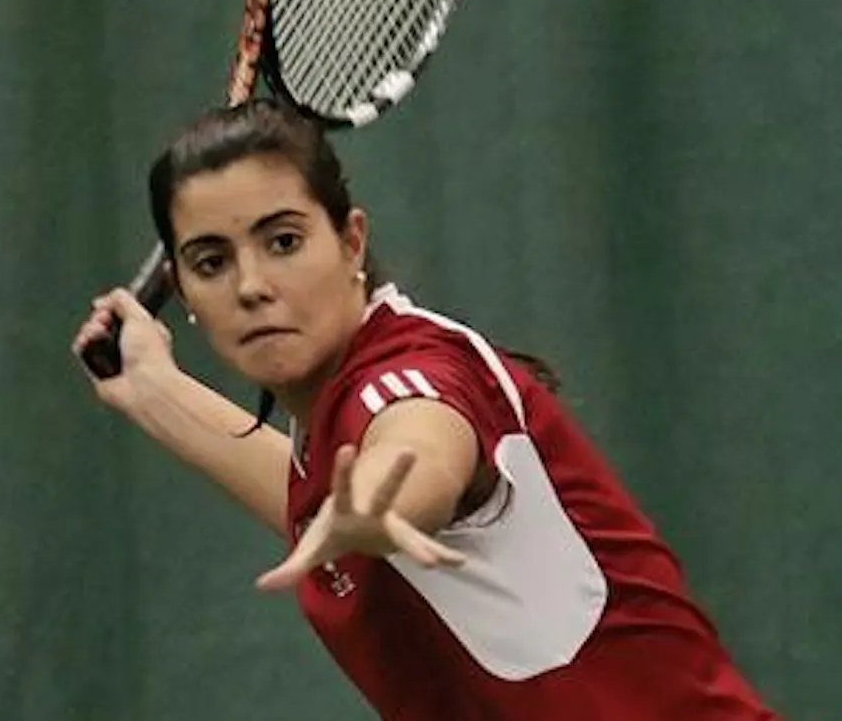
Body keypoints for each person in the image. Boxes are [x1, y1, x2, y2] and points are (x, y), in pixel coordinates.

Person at [71, 98, 782, 720]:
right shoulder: (327, 436)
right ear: (186, 295)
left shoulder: (414, 374)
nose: (252, 284)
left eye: (283, 241)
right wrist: (153, 389)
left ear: (352, 240)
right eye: (211, 261)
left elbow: (417, 451)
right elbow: (319, 500)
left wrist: (392, 509)